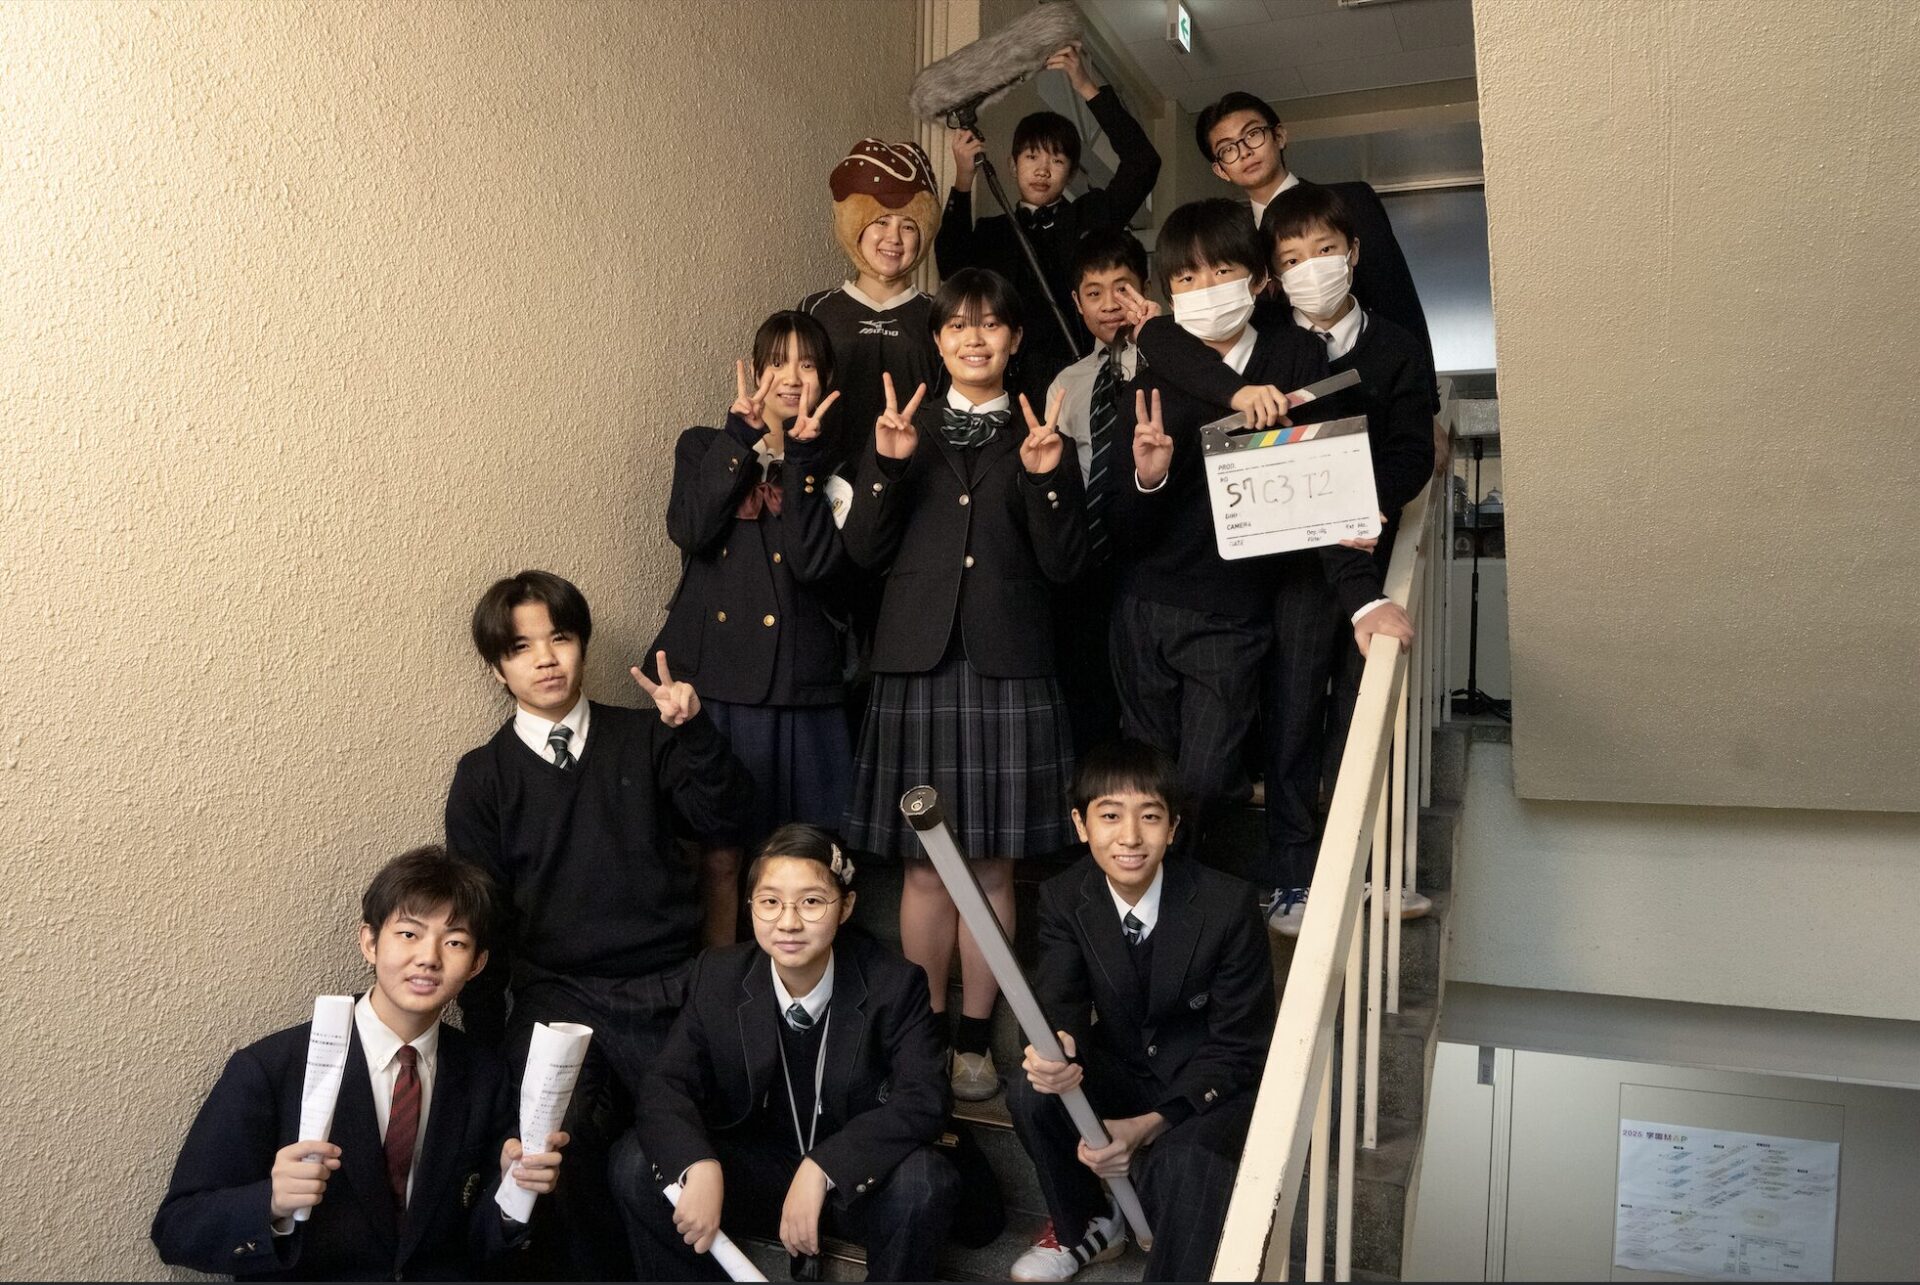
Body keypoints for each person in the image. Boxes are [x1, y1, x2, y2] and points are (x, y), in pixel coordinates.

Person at [1129, 186, 1432, 930]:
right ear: (1272, 275)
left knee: (1359, 713)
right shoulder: (1266, 339)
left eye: (1324, 252)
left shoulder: (1389, 345)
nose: (1310, 269)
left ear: (1354, 253)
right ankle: (1293, 871)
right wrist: (1241, 395)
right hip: (1278, 574)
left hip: (1353, 548)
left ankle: (1368, 864)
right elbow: (1163, 340)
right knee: (1291, 717)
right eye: (1292, 258)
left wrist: (1365, 507)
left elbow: (1410, 451)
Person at [444, 570, 753, 1278]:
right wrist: (488, 1041)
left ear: (582, 645)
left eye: (559, 637)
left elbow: (728, 819)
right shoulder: (483, 776)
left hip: (668, 984)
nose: (545, 659)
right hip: (557, 994)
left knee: (685, 1139)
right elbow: (481, 917)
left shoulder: (646, 737)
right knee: (556, 1147)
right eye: (521, 647)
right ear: (497, 669)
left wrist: (694, 732)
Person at [840, 268, 1087, 1103]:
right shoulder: (899, 429)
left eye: (990, 325)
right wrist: (885, 466)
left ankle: (977, 1038)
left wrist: (1047, 478)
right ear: (937, 341)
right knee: (920, 870)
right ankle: (923, 1034)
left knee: (990, 871)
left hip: (1008, 663)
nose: (973, 338)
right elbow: (862, 553)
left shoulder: (1044, 433)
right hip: (917, 662)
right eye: (956, 326)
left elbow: (1068, 566)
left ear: (1014, 339)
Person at [151, 846, 568, 1281]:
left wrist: (513, 1193)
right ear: (369, 942)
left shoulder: (485, 1075)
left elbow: (477, 1243)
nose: (429, 957)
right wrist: (271, 1202)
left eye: (455, 942)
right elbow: (177, 1228)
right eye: (409, 934)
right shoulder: (270, 1068)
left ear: (477, 963)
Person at [612, 824, 957, 1282]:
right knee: (636, 1162)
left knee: (925, 1182)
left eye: (811, 902)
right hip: (759, 1172)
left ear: (846, 906)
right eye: (770, 902)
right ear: (750, 905)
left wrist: (825, 1167)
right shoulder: (718, 974)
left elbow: (924, 1097)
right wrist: (699, 1164)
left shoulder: (894, 983)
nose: (788, 922)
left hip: (854, 1184)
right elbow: (665, 1084)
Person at [1005, 741, 1274, 1283]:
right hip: (1125, 1066)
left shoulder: (1227, 904)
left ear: (1172, 828)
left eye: (1149, 817)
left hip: (1209, 1084)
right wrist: (1057, 1047)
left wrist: (1148, 1127)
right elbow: (1059, 998)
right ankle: (1087, 1225)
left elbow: (1240, 1045)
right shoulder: (1064, 896)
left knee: (1182, 1162)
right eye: (1110, 816)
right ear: (1081, 825)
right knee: (1030, 1092)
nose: (1129, 837)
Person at [1105, 198, 1326, 851]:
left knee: (1203, 776)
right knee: (1145, 783)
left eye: (1221, 270)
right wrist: (1148, 477)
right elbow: (1121, 524)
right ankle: (1158, 895)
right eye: (1186, 277)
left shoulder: (1293, 358)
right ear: (1170, 295)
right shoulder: (1151, 382)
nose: (1205, 288)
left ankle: (1196, 884)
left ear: (1257, 281)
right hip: (1145, 605)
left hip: (1233, 611)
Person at [652, 312, 851, 946]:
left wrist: (804, 460)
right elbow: (689, 530)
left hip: (802, 681)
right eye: (777, 363)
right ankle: (720, 980)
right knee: (720, 854)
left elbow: (816, 566)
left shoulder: (840, 462)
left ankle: (808, 979)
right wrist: (742, 437)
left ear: (826, 378)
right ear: (756, 371)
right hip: (720, 683)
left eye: (808, 364)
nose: (792, 377)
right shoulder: (703, 445)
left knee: (809, 853)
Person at [936, 43, 1161, 404]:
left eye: (1056, 161)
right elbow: (950, 266)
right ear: (1013, 166)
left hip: (1081, 371)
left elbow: (1143, 163)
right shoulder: (993, 231)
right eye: (1031, 157)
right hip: (1003, 379)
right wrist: (964, 178)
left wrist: (1086, 86)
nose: (1042, 170)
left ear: (1070, 173)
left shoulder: (1090, 216)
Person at [1193, 89, 1435, 402]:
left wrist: (1426, 401)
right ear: (1220, 170)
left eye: (1253, 135)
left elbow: (1397, 298)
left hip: (1375, 385)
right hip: (1286, 400)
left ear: (1279, 135)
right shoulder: (1233, 243)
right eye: (1227, 149)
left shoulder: (1352, 201)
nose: (1244, 153)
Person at [1041, 228, 1152, 755]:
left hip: (1155, 553)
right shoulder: (1066, 383)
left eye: (1122, 288)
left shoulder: (1174, 364)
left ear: (1145, 288)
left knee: (1149, 692)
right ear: (1076, 302)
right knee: (1090, 691)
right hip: (1088, 558)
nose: (1109, 304)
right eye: (1094, 292)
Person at [800, 138, 944, 466]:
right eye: (881, 222)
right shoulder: (816, 310)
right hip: (826, 479)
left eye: (908, 226)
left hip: (915, 478)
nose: (894, 238)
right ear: (856, 227)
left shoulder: (939, 314)